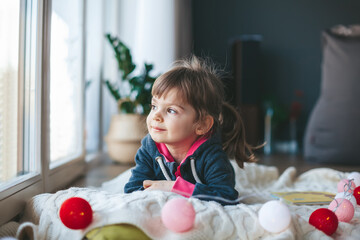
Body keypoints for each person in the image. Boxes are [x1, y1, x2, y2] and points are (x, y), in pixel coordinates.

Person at [124, 55, 256, 205]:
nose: (156, 116)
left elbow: (226, 197)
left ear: (201, 125)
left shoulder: (212, 156)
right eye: (154, 106)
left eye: (171, 110)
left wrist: (173, 187)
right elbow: (133, 190)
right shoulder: (149, 149)